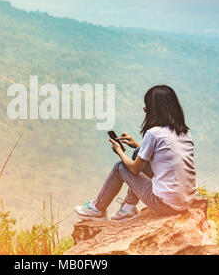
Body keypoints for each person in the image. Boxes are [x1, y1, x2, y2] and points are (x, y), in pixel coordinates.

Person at [74, 85, 197, 221]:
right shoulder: (184, 132)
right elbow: (167, 155)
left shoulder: (154, 133)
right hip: (186, 201)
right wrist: (138, 145)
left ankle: (97, 208)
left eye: (147, 106)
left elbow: (134, 169)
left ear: (155, 109)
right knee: (138, 151)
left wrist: (119, 151)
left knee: (120, 167)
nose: (145, 109)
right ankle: (128, 208)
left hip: (164, 204)